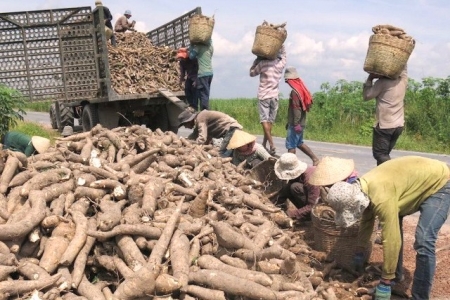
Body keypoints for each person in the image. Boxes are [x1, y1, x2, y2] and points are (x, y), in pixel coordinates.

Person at [325, 156, 450, 300]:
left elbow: (391, 240)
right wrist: (359, 251)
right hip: (410, 183)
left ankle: (419, 296)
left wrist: (385, 280)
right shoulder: (361, 188)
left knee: (424, 240)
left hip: (441, 182)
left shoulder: (381, 197)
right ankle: (396, 276)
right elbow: (367, 219)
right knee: (394, 222)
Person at [362, 67, 408, 166]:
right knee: (385, 154)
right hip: (399, 125)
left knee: (380, 155)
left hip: (385, 126)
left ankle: (394, 171)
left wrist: (370, 78)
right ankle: (382, 179)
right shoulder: (402, 81)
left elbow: (366, 96)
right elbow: (403, 68)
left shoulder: (381, 83)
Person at [249, 45, 287, 155]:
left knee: (264, 120)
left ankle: (271, 144)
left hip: (264, 96)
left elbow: (251, 73)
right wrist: (281, 44)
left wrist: (256, 61)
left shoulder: (262, 64)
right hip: (275, 96)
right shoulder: (279, 64)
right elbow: (284, 56)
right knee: (270, 121)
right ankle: (265, 144)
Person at [284, 66, 319, 166]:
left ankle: (290, 167)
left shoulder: (295, 92)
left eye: (287, 80)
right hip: (300, 122)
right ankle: (315, 159)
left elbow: (296, 109)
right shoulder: (301, 90)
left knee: (291, 146)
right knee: (299, 143)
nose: (286, 82)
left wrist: (295, 124)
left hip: (297, 123)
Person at [272, 153, 320, 221]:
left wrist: (291, 214)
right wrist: (273, 205)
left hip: (318, 205)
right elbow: (284, 192)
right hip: (310, 198)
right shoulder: (300, 175)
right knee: (288, 186)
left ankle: (308, 217)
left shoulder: (311, 180)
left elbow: (313, 206)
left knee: (295, 187)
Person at [178, 109, 242, 156]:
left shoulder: (201, 117)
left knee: (222, 154)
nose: (186, 127)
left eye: (185, 125)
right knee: (231, 153)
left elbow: (202, 139)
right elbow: (194, 135)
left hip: (232, 129)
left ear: (188, 121)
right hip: (232, 130)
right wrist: (184, 141)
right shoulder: (200, 120)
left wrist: (192, 146)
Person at [189, 39, 213, 110]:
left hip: (202, 74)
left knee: (202, 93)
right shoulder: (210, 47)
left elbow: (191, 56)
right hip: (210, 73)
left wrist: (191, 46)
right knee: (206, 92)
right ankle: (205, 109)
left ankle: (205, 111)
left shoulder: (198, 47)